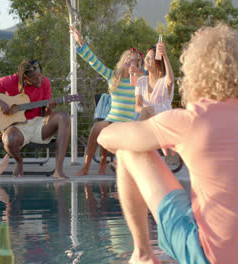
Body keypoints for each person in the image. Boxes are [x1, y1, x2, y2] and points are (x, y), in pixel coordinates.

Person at [98, 23, 238, 264]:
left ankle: (142, 253)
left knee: (128, 149)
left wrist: (151, 138)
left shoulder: (193, 120)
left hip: (208, 255)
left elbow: (106, 137)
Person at [0, 59, 70, 179]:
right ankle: (19, 161)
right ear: (24, 79)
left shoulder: (45, 82)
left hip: (38, 124)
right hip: (17, 127)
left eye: (40, 75)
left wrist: (49, 108)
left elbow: (46, 113)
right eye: (34, 78)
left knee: (64, 117)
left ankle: (59, 170)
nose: (39, 80)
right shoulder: (11, 81)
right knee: (9, 139)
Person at [69, 26, 144, 175]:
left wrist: (140, 73)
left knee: (109, 133)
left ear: (137, 65)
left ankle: (104, 160)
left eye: (134, 62)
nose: (130, 64)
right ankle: (86, 166)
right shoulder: (112, 77)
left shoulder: (138, 80)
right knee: (98, 128)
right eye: (128, 61)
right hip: (112, 119)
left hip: (127, 122)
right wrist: (81, 42)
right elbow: (95, 63)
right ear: (123, 62)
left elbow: (151, 79)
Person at [135, 43, 175, 121]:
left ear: (158, 62)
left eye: (150, 58)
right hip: (148, 121)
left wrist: (165, 55)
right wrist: (147, 110)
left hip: (164, 121)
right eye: (146, 57)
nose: (146, 60)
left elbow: (170, 80)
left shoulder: (164, 81)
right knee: (144, 112)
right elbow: (137, 106)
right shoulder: (141, 81)